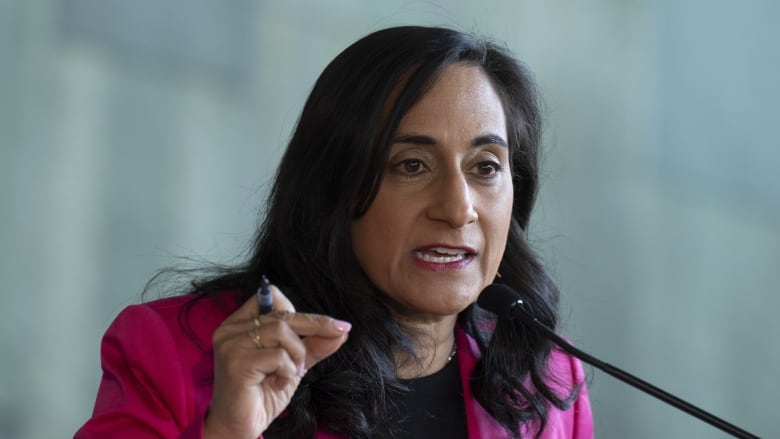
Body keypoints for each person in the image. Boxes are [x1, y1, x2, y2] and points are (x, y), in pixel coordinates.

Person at [75, 25, 593, 439]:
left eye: (485, 167)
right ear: (333, 188)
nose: (458, 209)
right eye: (411, 165)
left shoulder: (545, 376)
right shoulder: (175, 353)